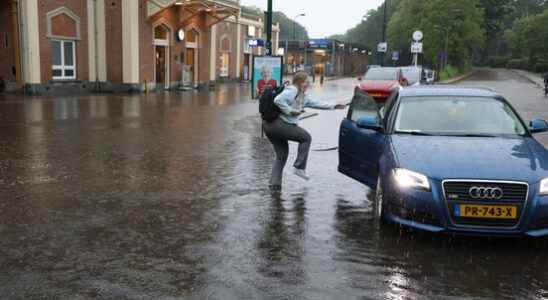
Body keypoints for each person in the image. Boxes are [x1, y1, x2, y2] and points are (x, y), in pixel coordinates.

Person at [263, 72, 346, 192]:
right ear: (300, 82)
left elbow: (318, 104)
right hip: (277, 124)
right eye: (307, 81)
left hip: (269, 126)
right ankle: (299, 167)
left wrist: (334, 106)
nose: (309, 83)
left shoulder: (303, 96)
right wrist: (290, 111)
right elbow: (278, 100)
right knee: (306, 137)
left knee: (281, 156)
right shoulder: (292, 90)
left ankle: (274, 185)